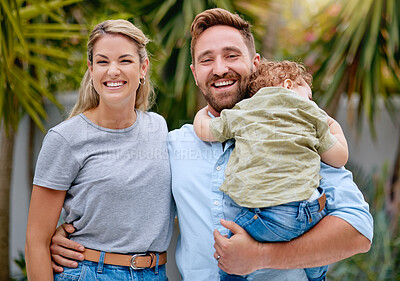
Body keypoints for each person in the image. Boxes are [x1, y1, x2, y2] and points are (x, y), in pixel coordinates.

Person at [48, 8, 373, 281]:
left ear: (256, 63)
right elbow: (126, 196)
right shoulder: (171, 144)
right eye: (207, 60)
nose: (220, 69)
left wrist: (261, 256)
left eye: (232, 55)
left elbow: (358, 233)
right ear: (194, 73)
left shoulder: (296, 131)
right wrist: (72, 239)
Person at [25, 19, 174, 281]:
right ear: (91, 69)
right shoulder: (65, 138)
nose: (113, 71)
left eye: (125, 61)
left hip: (155, 273)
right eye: (103, 62)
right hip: (91, 272)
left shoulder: (159, 128)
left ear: (143, 68)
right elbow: (36, 241)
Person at [193, 58, 348, 281]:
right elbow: (339, 157)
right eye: (309, 96)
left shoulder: (243, 111)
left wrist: (202, 113)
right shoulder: (310, 114)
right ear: (288, 85)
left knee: (231, 248)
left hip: (268, 216)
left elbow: (203, 130)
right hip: (311, 212)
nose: (311, 103)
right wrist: (332, 125)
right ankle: (317, 275)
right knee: (316, 256)